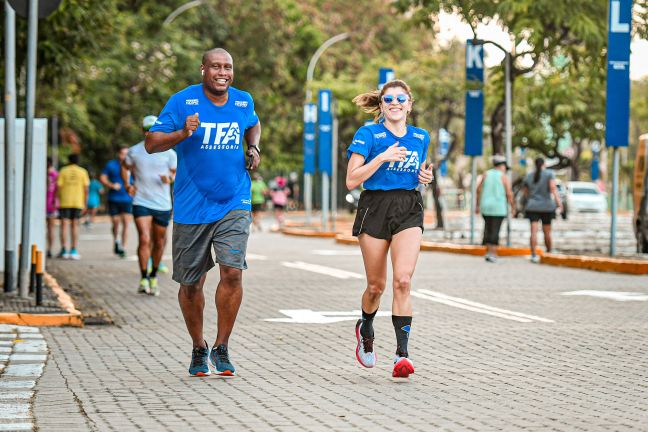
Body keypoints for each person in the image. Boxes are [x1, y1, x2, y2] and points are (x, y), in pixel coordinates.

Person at [145, 48, 261, 377]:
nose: (222, 72)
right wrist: (182, 133)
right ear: (203, 70)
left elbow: (253, 124)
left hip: (234, 200)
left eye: (228, 67)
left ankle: (222, 347)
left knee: (233, 273)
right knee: (191, 284)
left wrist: (253, 147)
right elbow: (151, 143)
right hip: (191, 206)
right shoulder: (183, 101)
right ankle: (199, 346)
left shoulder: (242, 101)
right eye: (215, 67)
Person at [346, 79, 433, 378]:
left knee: (404, 281)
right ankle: (366, 327)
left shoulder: (421, 137)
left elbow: (419, 171)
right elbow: (351, 180)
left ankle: (401, 355)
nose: (395, 103)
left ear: (409, 104)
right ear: (381, 106)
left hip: (408, 207)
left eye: (400, 99)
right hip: (375, 207)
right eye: (388, 99)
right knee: (376, 286)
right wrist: (381, 157)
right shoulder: (368, 134)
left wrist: (425, 176)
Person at [122, 115, 177, 296]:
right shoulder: (134, 151)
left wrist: (168, 179)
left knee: (159, 241)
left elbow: (175, 174)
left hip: (162, 203)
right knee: (144, 239)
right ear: (143, 130)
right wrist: (128, 184)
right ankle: (144, 277)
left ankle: (153, 276)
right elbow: (125, 165)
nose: (149, 132)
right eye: (147, 129)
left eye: (153, 129)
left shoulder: (169, 153)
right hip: (141, 200)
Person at [475, 155, 515, 263]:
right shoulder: (503, 176)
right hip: (499, 207)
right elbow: (509, 193)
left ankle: (488, 252)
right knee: (495, 230)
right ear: (501, 166)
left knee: (488, 228)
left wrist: (477, 205)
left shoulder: (486, 174)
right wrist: (513, 207)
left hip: (486, 207)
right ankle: (492, 253)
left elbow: (478, 189)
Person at [524, 157, 563, 263]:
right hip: (547, 206)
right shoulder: (549, 174)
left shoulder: (529, 175)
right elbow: (553, 189)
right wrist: (559, 204)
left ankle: (533, 254)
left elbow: (526, 192)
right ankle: (549, 252)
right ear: (543, 164)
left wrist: (531, 199)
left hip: (532, 206)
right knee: (547, 232)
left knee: (533, 232)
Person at [100, 147, 133, 257]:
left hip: (127, 198)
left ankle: (123, 247)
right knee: (115, 222)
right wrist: (111, 185)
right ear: (118, 153)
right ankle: (116, 240)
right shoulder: (111, 165)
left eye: (126, 154)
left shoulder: (132, 165)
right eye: (123, 153)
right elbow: (103, 178)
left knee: (126, 223)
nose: (124, 156)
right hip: (114, 198)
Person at [57, 154, 89, 260]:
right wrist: (85, 203)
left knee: (64, 225)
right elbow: (86, 189)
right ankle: (74, 250)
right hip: (78, 202)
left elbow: (59, 187)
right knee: (75, 226)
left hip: (65, 202)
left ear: (68, 160)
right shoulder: (83, 171)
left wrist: (57, 200)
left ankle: (63, 249)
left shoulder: (63, 170)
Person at [46, 157, 59, 258]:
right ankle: (50, 249)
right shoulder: (55, 174)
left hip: (43, 204)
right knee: (51, 228)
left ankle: (44, 248)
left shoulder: (40, 173)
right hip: (52, 204)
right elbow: (58, 189)